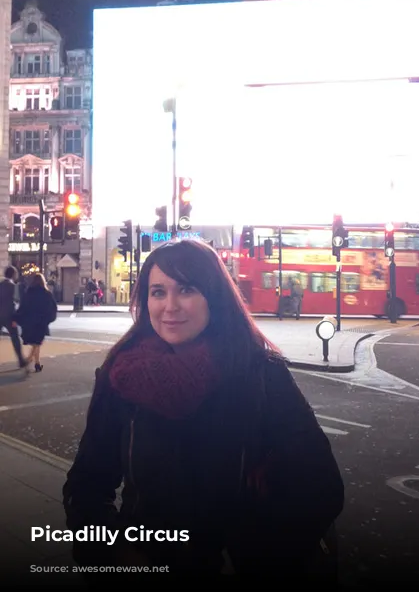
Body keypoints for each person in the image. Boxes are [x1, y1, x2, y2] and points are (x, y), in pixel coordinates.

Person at [63, 240, 344, 581]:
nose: (170, 306)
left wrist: (254, 559)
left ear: (214, 296)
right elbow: (87, 483)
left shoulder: (261, 373)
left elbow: (320, 487)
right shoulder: (121, 376)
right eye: (157, 292)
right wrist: (114, 553)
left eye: (186, 289)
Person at [14, 273, 58, 372]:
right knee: (37, 343)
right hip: (41, 323)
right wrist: (48, 319)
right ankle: (30, 360)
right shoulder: (47, 294)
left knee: (36, 343)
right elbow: (52, 308)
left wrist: (17, 318)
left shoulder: (28, 293)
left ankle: (36, 363)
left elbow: (23, 307)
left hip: (29, 323)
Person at [0, 265, 27, 368]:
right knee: (15, 338)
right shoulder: (14, 286)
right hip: (10, 316)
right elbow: (17, 302)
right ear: (13, 275)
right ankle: (21, 360)